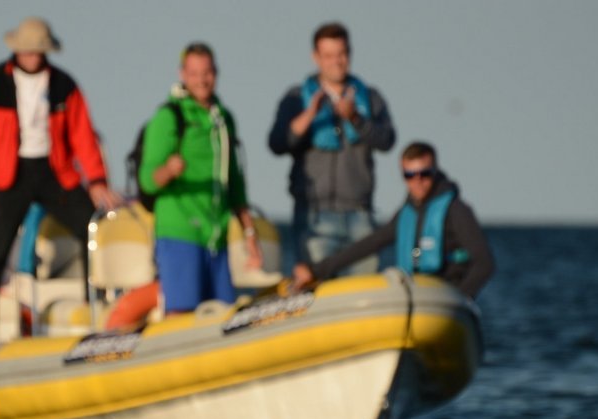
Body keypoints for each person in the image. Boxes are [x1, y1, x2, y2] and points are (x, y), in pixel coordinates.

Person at [0, 17, 121, 340]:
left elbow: (82, 135)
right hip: (10, 174)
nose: (34, 56)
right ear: (17, 51)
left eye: (39, 51)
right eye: (28, 50)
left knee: (89, 228)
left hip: (54, 171)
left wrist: (97, 179)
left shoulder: (64, 85)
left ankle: (104, 310)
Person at [138, 42, 263, 314]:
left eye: (207, 72)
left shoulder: (224, 119)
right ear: (182, 74)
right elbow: (147, 181)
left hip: (216, 236)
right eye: (194, 73)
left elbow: (235, 184)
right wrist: (168, 171)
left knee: (226, 318)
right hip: (180, 232)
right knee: (182, 316)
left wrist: (249, 233)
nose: (201, 80)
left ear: (216, 73)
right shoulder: (168, 117)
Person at [268, 22, 396, 283]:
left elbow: (387, 140)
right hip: (314, 215)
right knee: (317, 289)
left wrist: (356, 119)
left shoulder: (369, 98)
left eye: (342, 54)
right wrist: (309, 115)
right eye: (328, 55)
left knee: (362, 292)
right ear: (316, 57)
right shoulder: (296, 98)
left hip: (360, 215)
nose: (336, 62)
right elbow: (277, 143)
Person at [295, 142, 495, 299]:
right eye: (410, 175)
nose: (418, 181)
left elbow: (484, 263)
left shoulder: (456, 210)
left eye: (425, 174)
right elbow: (370, 244)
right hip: (415, 295)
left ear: (435, 171)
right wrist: (316, 270)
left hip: (445, 294)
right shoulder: (406, 213)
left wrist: (460, 297)